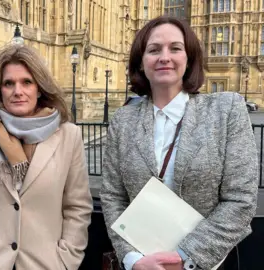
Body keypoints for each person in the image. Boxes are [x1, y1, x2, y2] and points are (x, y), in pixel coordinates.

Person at [99, 16, 258, 270]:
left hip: (206, 263)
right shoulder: (123, 120)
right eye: (153, 50)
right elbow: (112, 196)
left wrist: (186, 258)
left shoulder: (226, 110)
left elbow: (241, 200)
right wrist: (132, 259)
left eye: (175, 48)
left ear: (189, 58)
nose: (164, 57)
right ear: (141, 63)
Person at [0, 45, 93, 270]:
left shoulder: (68, 135)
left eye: (27, 82)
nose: (18, 91)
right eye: (8, 83)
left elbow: (77, 207)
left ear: (40, 88)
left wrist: (66, 261)